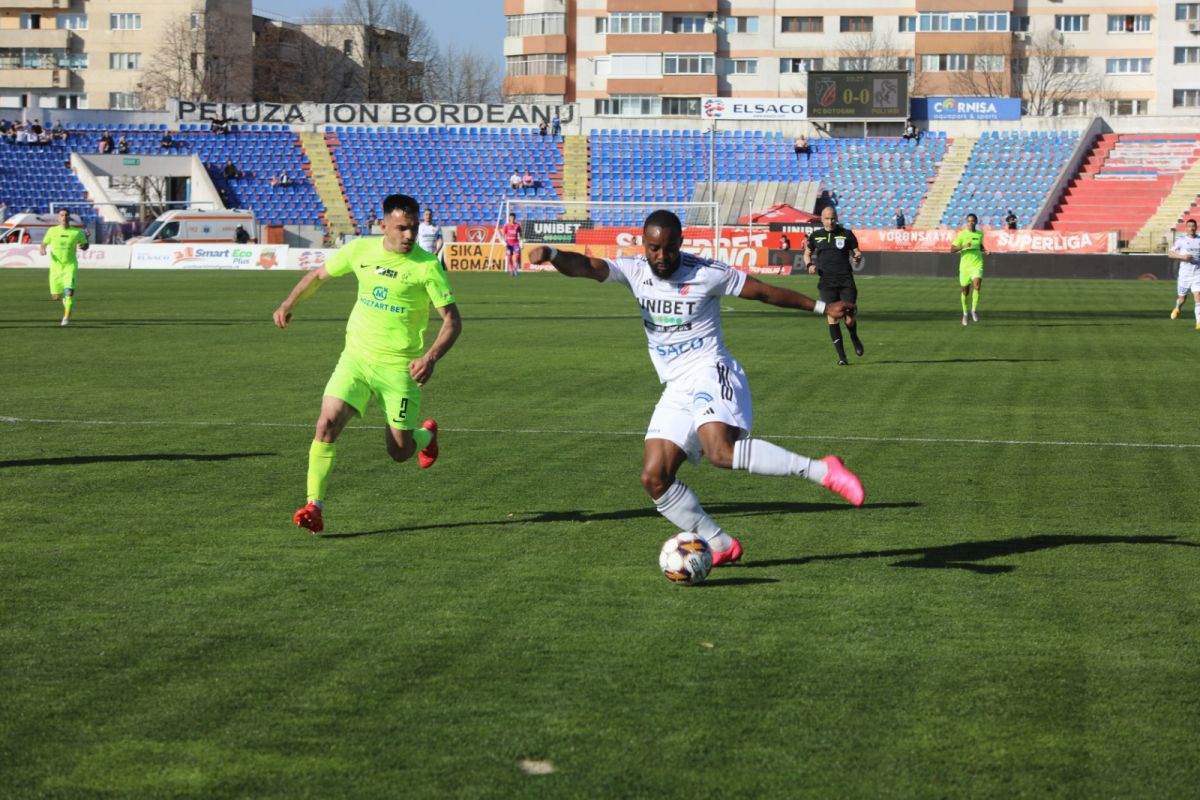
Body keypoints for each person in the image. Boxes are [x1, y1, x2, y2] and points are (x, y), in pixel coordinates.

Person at [528, 210, 864, 567]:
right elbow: (587, 267)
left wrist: (823, 307)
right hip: (675, 386)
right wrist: (551, 255)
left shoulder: (706, 273)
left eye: (669, 248)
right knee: (654, 477)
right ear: (644, 245)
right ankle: (719, 543)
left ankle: (823, 470)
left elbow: (764, 292)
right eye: (654, 248)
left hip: (710, 369)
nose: (661, 256)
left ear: (680, 244)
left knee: (720, 452)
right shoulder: (635, 270)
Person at [272, 193, 462, 534]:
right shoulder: (361, 250)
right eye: (402, 228)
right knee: (326, 423)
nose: (409, 236)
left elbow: (452, 321)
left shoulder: (426, 266)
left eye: (414, 229)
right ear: (383, 225)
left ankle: (425, 436)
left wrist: (430, 357)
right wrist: (289, 302)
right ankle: (314, 505)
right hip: (356, 360)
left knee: (399, 452)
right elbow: (318, 276)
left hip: (400, 370)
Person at [806, 206, 864, 365]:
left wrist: (857, 257)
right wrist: (809, 265)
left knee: (849, 318)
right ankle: (842, 357)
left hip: (846, 281)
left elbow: (857, 251)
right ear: (821, 219)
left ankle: (854, 336)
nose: (830, 221)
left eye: (832, 218)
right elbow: (807, 253)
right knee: (832, 316)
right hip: (826, 283)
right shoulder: (815, 236)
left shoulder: (846, 234)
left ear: (837, 218)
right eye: (827, 218)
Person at [40, 208, 89, 326]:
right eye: (62, 215)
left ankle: (66, 316)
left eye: (66, 215)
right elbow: (44, 243)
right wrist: (42, 248)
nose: (64, 217)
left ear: (69, 217)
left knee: (69, 292)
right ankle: (65, 301)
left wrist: (83, 246)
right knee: (55, 296)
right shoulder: (52, 231)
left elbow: (86, 244)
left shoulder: (76, 232)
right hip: (55, 268)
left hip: (69, 266)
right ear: (58, 217)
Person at [951, 213, 986, 326]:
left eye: (973, 221)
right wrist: (963, 246)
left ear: (976, 222)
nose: (971, 223)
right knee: (965, 291)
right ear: (967, 222)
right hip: (965, 266)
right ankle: (965, 314)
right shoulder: (961, 234)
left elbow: (980, 245)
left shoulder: (980, 234)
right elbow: (952, 249)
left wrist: (985, 251)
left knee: (977, 285)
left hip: (977, 263)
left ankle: (974, 310)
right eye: (969, 221)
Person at [1167, 218, 1200, 329]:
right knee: (1182, 298)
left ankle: (1198, 323)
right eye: (1189, 226)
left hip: (1197, 274)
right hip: (1185, 275)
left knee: (1198, 296)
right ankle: (1178, 308)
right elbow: (1170, 253)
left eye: (1193, 226)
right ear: (1186, 228)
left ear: (1196, 227)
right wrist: (1182, 256)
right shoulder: (1181, 240)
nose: (1191, 228)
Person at [501, 212, 522, 277]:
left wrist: (521, 240)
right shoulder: (506, 225)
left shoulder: (517, 225)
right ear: (509, 218)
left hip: (515, 243)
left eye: (513, 218)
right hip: (509, 244)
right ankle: (511, 270)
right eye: (511, 218)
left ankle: (515, 269)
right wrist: (504, 241)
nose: (512, 219)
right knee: (509, 257)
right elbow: (503, 235)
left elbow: (520, 234)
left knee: (517, 256)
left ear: (514, 218)